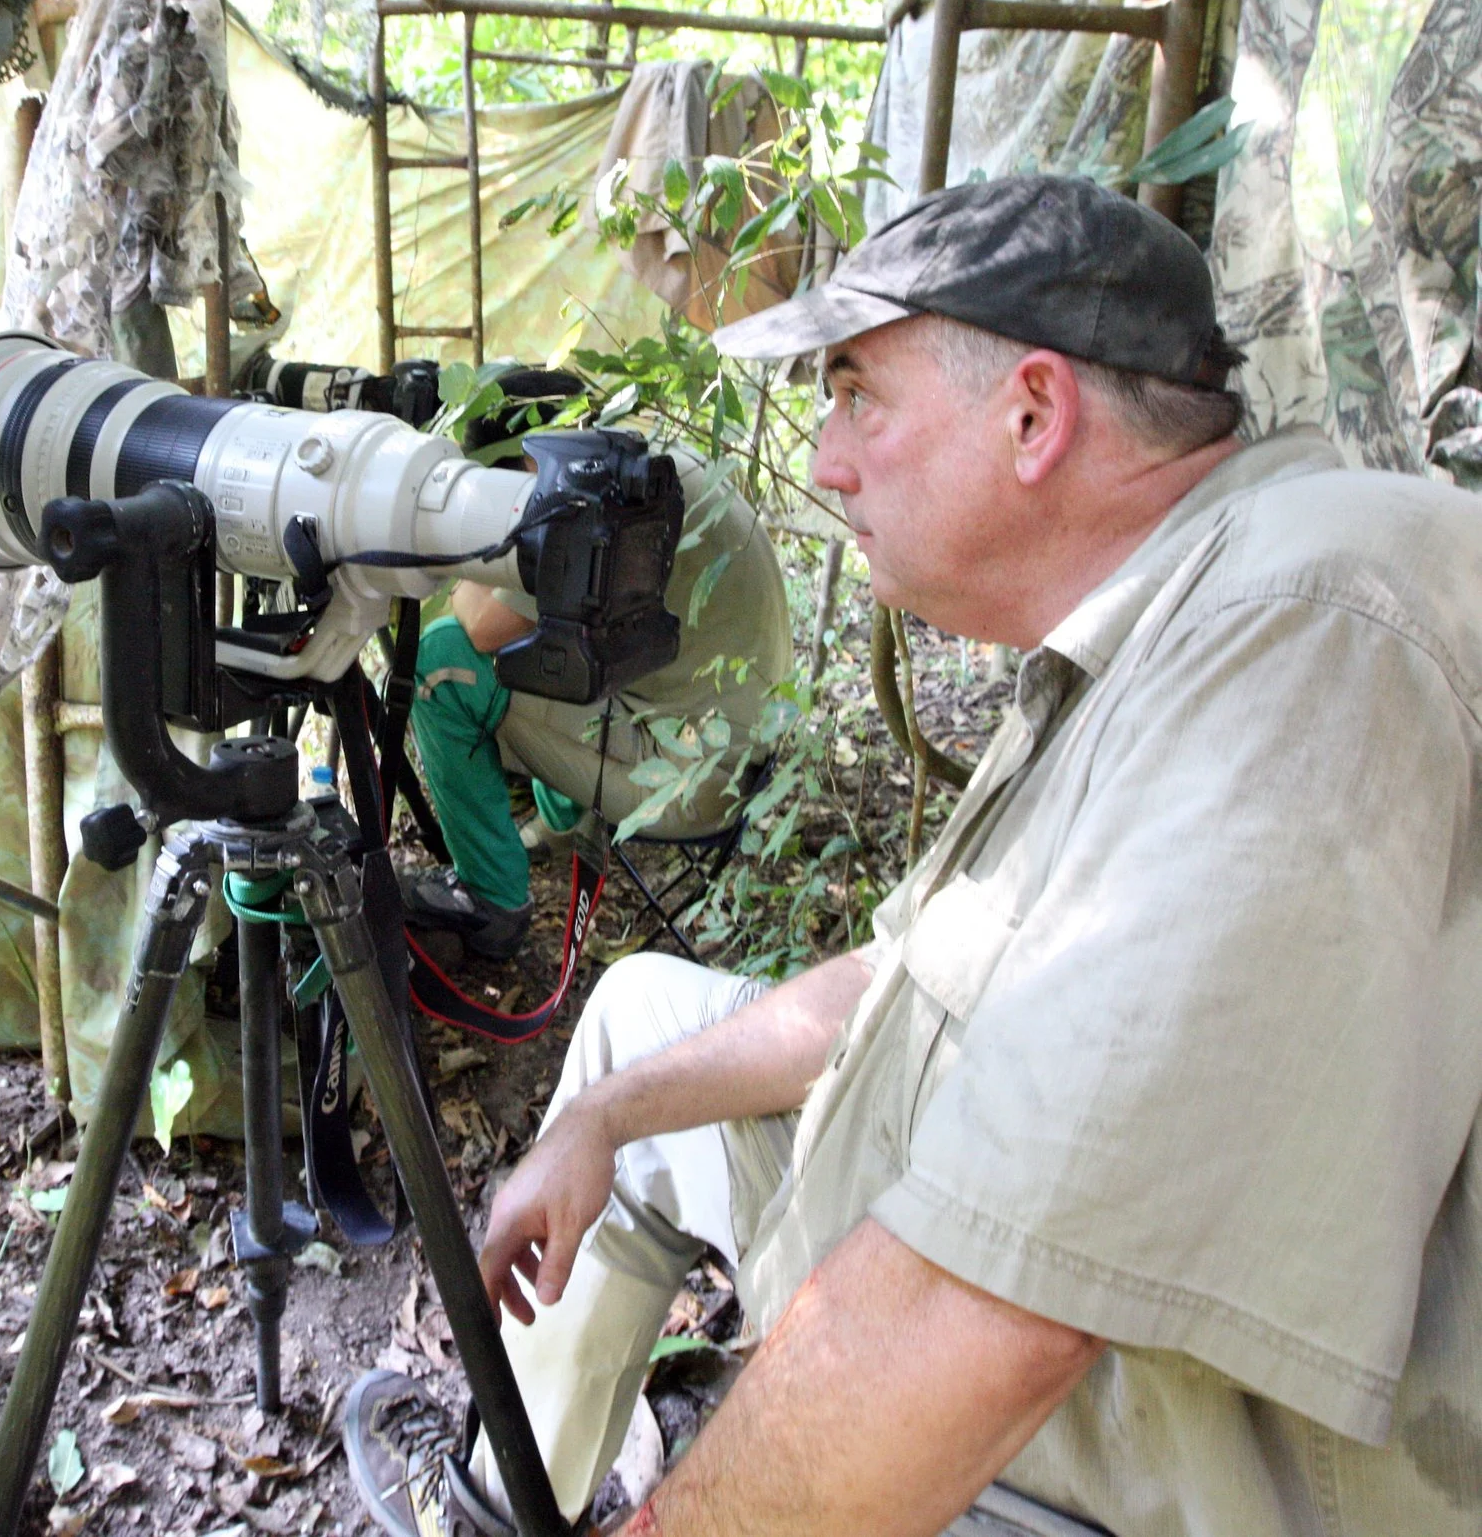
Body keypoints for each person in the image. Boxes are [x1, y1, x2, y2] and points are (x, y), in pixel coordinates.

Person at [344, 174, 1482, 1537]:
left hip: (1168, 1460)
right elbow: (909, 975)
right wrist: (599, 1113)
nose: (827, 458)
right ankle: (495, 1498)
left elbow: (995, 1309)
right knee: (642, 1015)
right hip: (1045, 1313)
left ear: (1034, 414)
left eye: (857, 396)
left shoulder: (1310, 621)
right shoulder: (1169, 610)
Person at [398, 376, 794, 960]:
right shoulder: (648, 467)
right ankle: (560, 824)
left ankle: (490, 901)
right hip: (739, 761)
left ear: (536, 461)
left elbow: (481, 625)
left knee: (442, 664)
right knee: (570, 636)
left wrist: (469, 557)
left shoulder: (590, 498)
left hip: (692, 785)